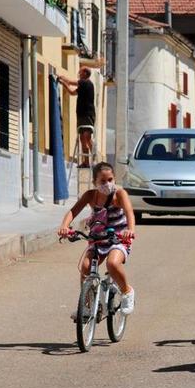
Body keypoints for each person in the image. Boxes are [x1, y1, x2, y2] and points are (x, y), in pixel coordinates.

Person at [58, 162, 136, 316]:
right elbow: (73, 211)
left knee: (112, 264)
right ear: (94, 182)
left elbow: (129, 212)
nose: (107, 184)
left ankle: (127, 292)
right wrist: (65, 227)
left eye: (110, 180)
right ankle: (87, 306)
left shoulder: (119, 194)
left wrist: (130, 230)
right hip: (98, 238)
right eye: (103, 181)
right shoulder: (90, 196)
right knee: (85, 267)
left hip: (118, 238)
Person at [58, 65, 96, 167]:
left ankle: (94, 158)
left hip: (87, 114)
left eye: (80, 72)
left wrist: (61, 77)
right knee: (82, 139)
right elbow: (72, 92)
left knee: (86, 137)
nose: (79, 73)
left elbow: (70, 82)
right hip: (82, 115)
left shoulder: (86, 82)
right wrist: (63, 84)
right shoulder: (83, 86)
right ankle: (86, 161)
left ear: (85, 73)